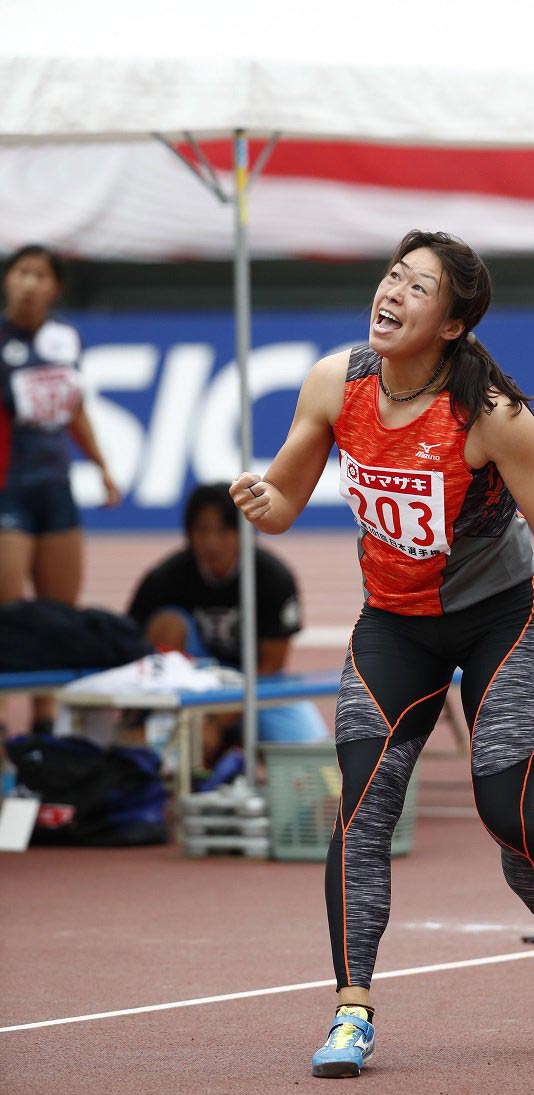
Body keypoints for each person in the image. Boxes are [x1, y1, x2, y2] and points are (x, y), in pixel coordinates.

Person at [230, 229, 534, 1079]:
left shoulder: (491, 417)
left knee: (502, 805)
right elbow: (285, 501)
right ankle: (352, 1012)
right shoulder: (337, 384)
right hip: (393, 625)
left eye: (418, 287)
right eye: (392, 276)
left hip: (497, 620)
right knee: (360, 812)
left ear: (451, 324)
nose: (393, 293)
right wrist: (262, 500)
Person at [0, 243, 120, 733]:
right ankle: (4, 717)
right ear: (8, 281)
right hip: (8, 491)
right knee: (8, 615)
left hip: (56, 489)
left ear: (55, 288)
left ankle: (47, 718)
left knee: (58, 615)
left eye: (40, 275)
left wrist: (102, 466)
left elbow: (75, 410)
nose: (29, 284)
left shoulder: (66, 341)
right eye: (21, 273)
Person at [127, 481, 328, 767]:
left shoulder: (273, 578)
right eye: (202, 530)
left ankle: (228, 744)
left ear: (243, 532)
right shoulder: (164, 579)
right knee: (167, 624)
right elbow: (134, 647)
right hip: (191, 681)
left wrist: (217, 722)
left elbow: (272, 664)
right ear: (189, 533)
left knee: (314, 759)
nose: (212, 542)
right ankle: (163, 739)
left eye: (224, 530)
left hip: (257, 683)